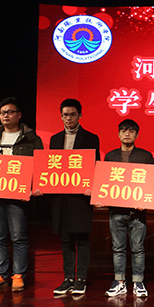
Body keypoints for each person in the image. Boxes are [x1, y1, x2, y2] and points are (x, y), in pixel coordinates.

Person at [0, 97, 43, 292]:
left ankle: (18, 274)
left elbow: (39, 166)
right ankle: (0, 274)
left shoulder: (31, 138)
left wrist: (33, 187)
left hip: (18, 195)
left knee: (18, 236)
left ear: (19, 115)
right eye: (2, 112)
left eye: (10, 112)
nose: (6, 115)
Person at [49, 98, 100, 296]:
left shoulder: (90, 138)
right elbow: (50, 166)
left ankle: (81, 279)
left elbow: (95, 164)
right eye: (65, 115)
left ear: (80, 115)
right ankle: (68, 278)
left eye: (72, 114)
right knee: (65, 239)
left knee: (82, 239)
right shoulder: (55, 139)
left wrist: (93, 189)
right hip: (60, 196)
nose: (68, 118)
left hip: (81, 196)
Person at [103, 119, 154, 298]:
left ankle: (138, 282)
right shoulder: (110, 156)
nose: (127, 133)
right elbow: (105, 181)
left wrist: (145, 200)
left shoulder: (145, 156)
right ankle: (119, 282)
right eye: (123, 130)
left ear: (136, 135)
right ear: (118, 134)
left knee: (138, 248)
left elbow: (151, 183)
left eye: (131, 130)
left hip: (137, 212)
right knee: (118, 248)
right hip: (116, 211)